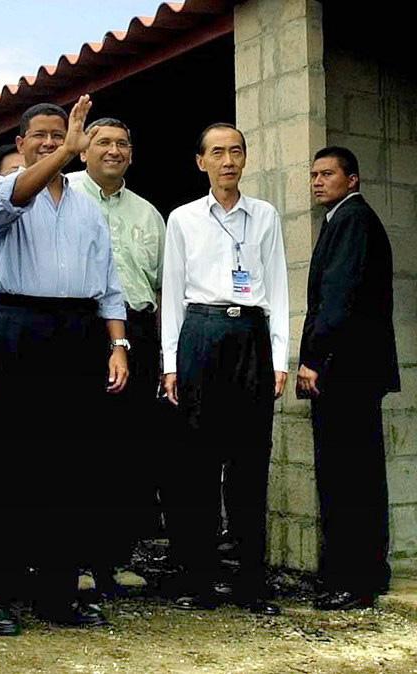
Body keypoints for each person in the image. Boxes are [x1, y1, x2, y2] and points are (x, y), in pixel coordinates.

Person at [0, 98, 128, 636]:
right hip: (18, 328)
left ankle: (57, 592)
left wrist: (118, 342)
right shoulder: (3, 190)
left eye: (60, 133)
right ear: (21, 143)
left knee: (71, 469)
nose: (52, 141)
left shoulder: (86, 206)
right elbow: (16, 195)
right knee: (9, 467)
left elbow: (107, 281)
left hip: (77, 333)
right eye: (41, 135)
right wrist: (63, 153)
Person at [161, 122, 288, 615]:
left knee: (250, 463)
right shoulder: (183, 219)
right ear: (201, 162)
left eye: (236, 151)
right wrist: (171, 363)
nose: (228, 161)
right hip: (201, 333)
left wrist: (279, 358)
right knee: (196, 462)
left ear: (246, 159)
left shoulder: (266, 216)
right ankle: (198, 577)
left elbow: (277, 286)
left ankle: (251, 582)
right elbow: (172, 293)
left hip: (251, 338)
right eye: (217, 152)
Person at [299, 146, 399, 610]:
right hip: (355, 371)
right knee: (358, 474)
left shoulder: (352, 220)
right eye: (314, 174)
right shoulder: (343, 219)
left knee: (346, 477)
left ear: (352, 179)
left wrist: (313, 359)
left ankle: (352, 581)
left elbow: (337, 299)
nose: (318, 181)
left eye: (328, 174)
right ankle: (366, 573)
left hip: (345, 371)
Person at [68, 117, 166, 592]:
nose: (113, 150)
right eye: (102, 142)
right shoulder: (62, 195)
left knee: (129, 449)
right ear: (83, 149)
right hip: (83, 329)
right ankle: (76, 562)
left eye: (122, 143)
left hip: (140, 332)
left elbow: (165, 288)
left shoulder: (149, 214)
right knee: (82, 447)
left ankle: (115, 558)